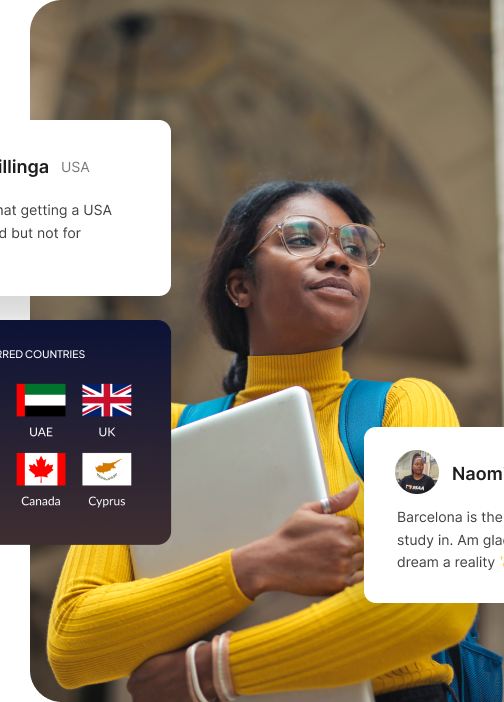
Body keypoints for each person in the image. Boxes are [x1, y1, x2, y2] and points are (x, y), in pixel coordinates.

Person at [48, 181, 476, 702]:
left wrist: (211, 673)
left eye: (355, 247)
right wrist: (259, 565)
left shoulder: (407, 409)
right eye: (301, 238)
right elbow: (73, 641)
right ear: (239, 286)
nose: (339, 258)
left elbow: (433, 603)